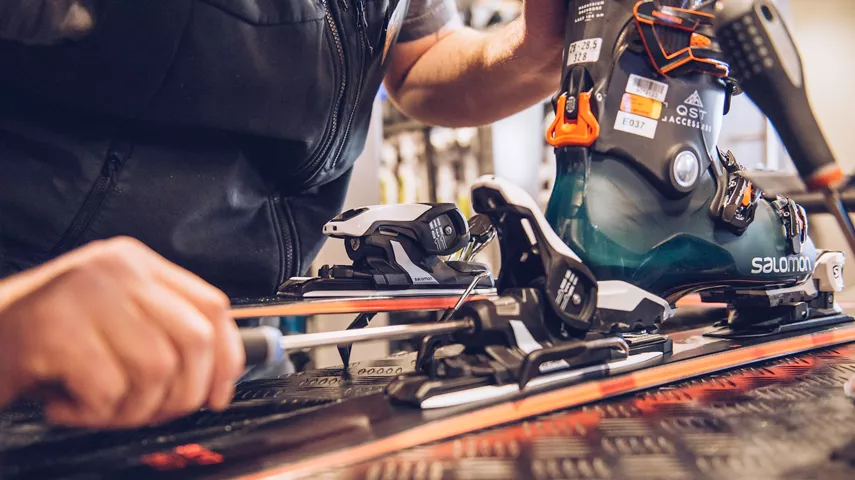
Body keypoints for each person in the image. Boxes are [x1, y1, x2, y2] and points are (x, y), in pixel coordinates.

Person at [0, 0, 566, 428]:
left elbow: (415, 61)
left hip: (237, 352)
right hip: (44, 365)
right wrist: (13, 321)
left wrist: (537, 49)